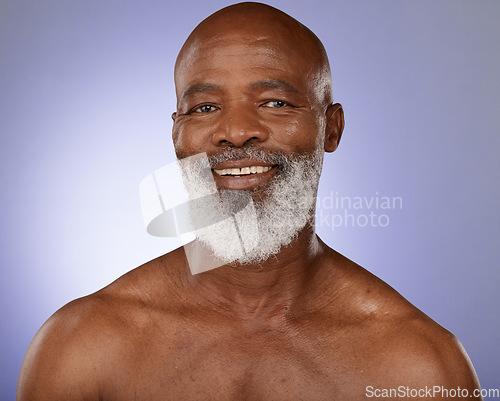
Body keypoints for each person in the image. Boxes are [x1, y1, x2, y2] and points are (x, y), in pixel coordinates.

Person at [17, 2, 482, 400]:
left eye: (275, 102)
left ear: (331, 128)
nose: (236, 131)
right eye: (204, 107)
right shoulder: (81, 347)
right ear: (176, 133)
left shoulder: (418, 368)